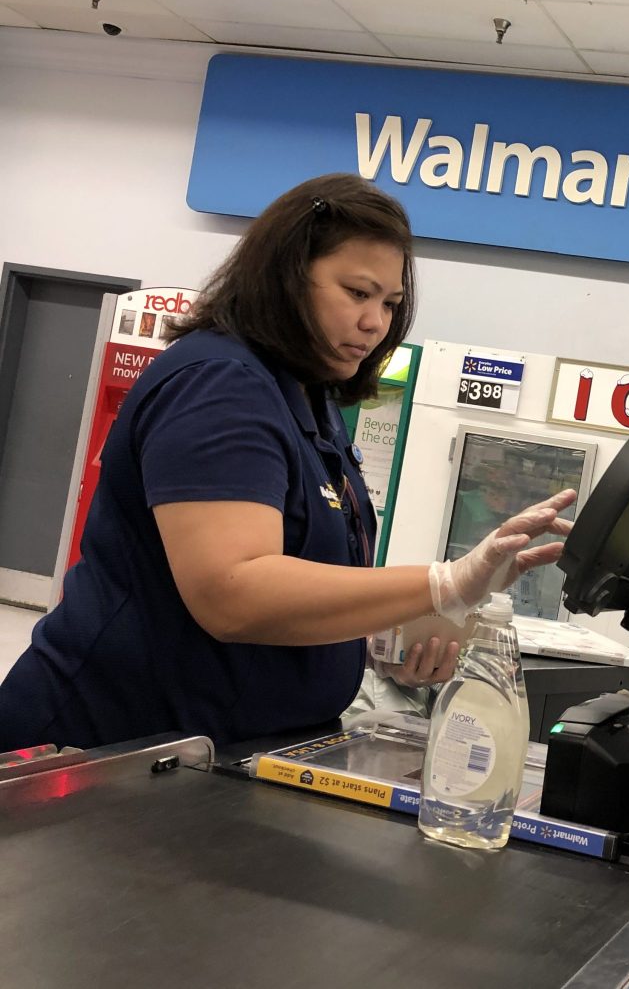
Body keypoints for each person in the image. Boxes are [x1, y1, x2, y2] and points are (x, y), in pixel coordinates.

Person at [0, 173, 573, 753]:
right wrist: (445, 583)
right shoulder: (219, 385)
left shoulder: (308, 393)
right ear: (286, 277)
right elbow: (233, 593)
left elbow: (302, 570)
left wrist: (381, 639)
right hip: (106, 751)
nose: (376, 322)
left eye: (391, 303)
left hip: (223, 750)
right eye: (357, 293)